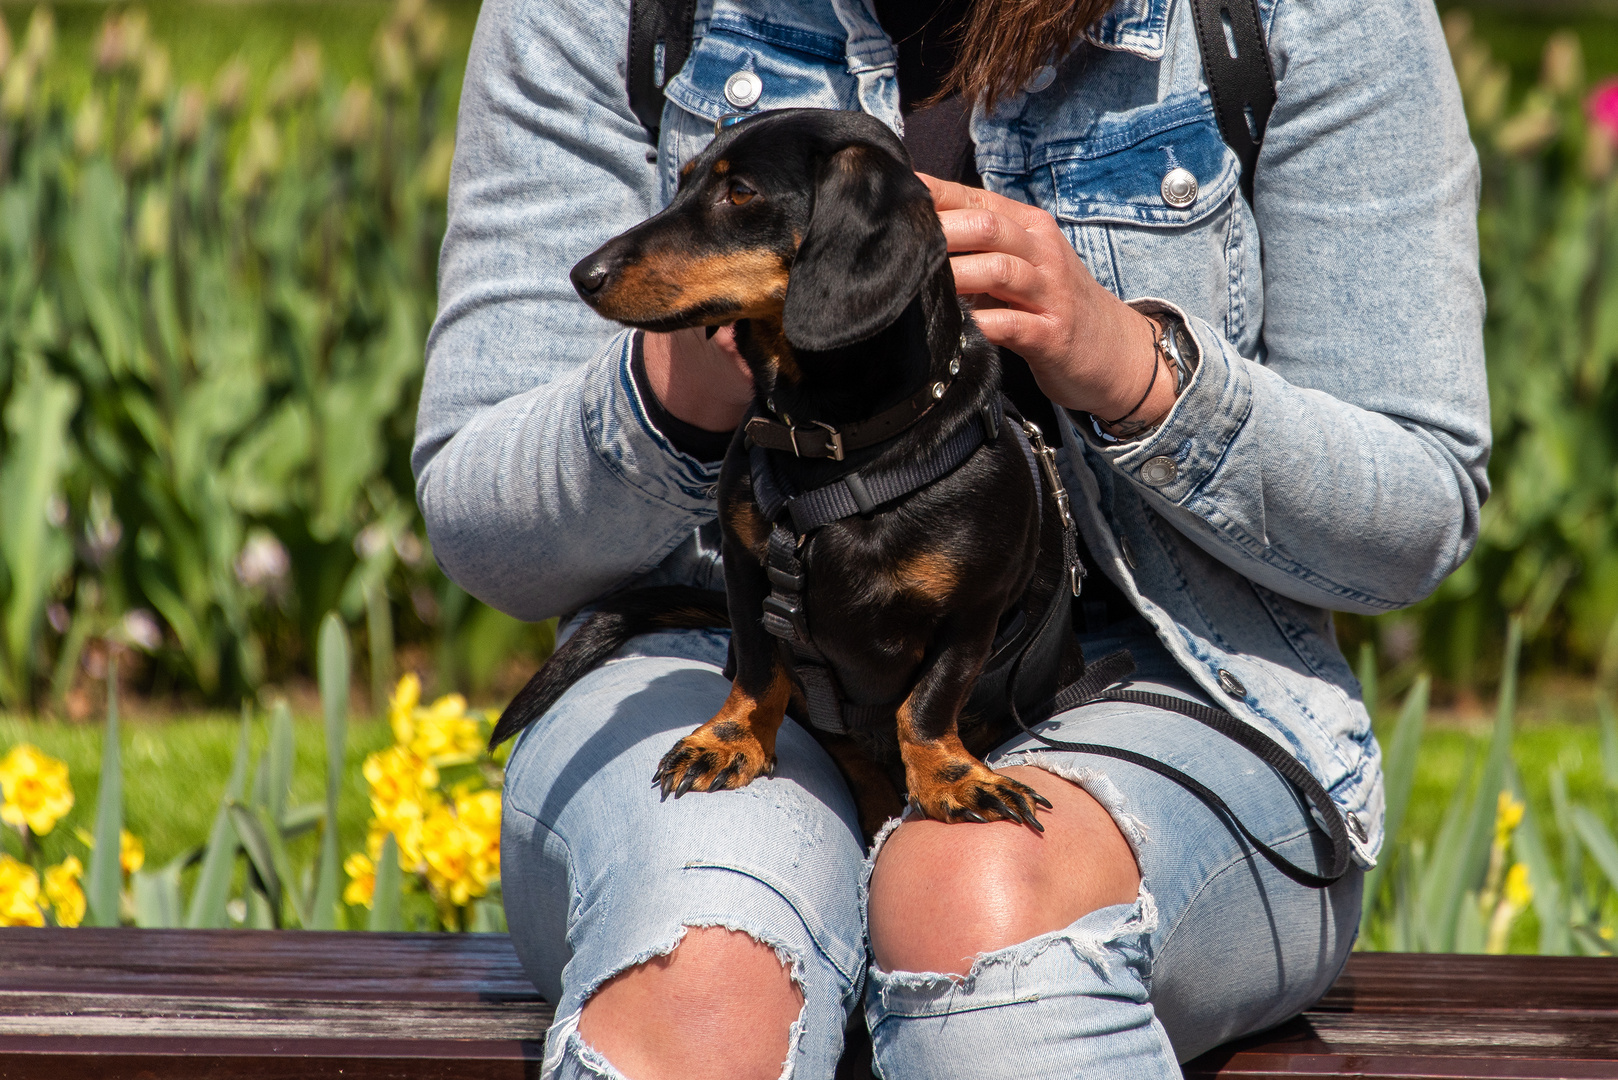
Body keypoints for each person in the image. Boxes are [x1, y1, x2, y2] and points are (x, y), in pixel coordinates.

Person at [412, 0, 1488, 1074]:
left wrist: (1127, 365)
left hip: (1167, 684)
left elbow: (1414, 513)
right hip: (726, 668)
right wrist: (669, 397)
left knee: (980, 902)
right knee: (707, 962)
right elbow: (485, 527)